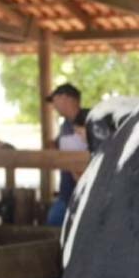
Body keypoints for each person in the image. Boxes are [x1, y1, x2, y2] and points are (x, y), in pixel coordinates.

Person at [45, 83, 90, 227]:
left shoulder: (90, 119)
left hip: (86, 192)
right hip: (67, 192)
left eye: (55, 100)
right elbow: (60, 145)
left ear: (65, 98)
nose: (54, 105)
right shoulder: (65, 125)